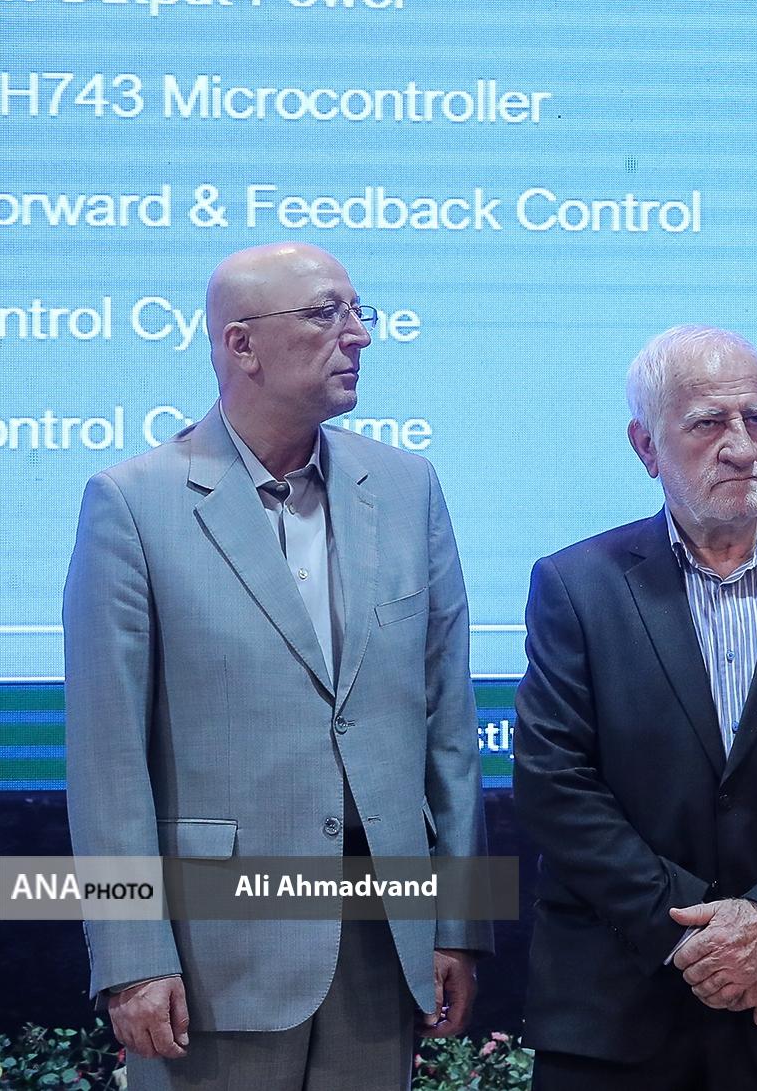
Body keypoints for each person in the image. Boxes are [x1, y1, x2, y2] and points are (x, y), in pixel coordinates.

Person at [63, 242, 488, 1090]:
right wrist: (132, 955)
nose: (359, 334)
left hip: (383, 945)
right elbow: (107, 763)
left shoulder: (408, 487)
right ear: (241, 344)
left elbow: (449, 725)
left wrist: (458, 923)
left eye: (359, 310)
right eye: (327, 312)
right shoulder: (133, 504)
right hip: (211, 960)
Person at [513, 326, 757, 1091]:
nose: (740, 447)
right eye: (707, 423)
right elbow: (554, 784)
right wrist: (698, 933)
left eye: (755, 419)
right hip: (617, 1009)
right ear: (645, 445)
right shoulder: (576, 587)